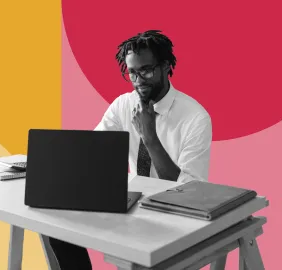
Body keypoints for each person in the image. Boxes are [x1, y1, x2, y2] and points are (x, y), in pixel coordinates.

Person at [48, 30, 212, 269]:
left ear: (166, 67)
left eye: (145, 70)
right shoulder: (124, 105)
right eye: (132, 73)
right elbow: (93, 150)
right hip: (132, 202)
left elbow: (190, 191)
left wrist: (150, 137)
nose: (138, 81)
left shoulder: (195, 118)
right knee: (59, 228)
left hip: (172, 213)